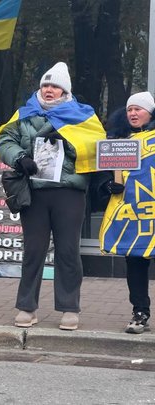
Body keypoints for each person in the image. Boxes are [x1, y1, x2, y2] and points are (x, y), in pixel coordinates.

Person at [0, 62, 102, 331]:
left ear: (65, 90)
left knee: (67, 251)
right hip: (36, 192)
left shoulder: (83, 115)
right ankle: (26, 307)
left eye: (55, 86)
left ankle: (69, 308)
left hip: (69, 193)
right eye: (45, 85)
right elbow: (4, 140)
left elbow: (97, 146)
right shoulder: (24, 113)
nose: (49, 90)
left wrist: (69, 141)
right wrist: (20, 158)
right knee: (33, 250)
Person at [102, 91, 155, 334]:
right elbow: (103, 179)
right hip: (133, 213)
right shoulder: (117, 140)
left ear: (150, 112)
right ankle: (140, 312)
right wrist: (108, 186)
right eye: (129, 109)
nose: (133, 113)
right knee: (135, 261)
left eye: (138, 109)